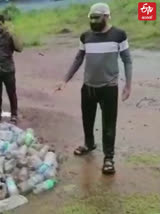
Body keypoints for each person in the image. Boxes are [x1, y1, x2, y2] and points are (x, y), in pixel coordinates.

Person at [55, 3, 132, 175]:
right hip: (88, 87)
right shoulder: (86, 36)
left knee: (108, 124)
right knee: (87, 119)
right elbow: (78, 58)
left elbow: (127, 60)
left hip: (109, 88)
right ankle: (89, 144)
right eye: (91, 18)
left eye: (97, 18)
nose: (93, 21)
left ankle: (109, 158)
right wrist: (65, 80)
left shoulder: (119, 35)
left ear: (106, 17)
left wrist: (128, 84)